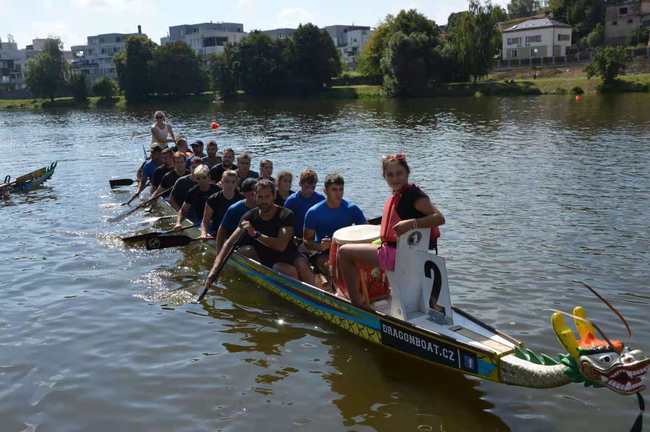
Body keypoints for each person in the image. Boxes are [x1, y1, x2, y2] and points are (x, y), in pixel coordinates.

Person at [337, 154, 445, 308]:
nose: (395, 178)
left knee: (344, 253)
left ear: (407, 173)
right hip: (403, 252)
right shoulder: (401, 195)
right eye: (390, 175)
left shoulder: (415, 196)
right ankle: (386, 292)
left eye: (399, 173)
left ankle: (357, 305)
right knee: (370, 244)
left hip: (400, 255)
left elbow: (440, 218)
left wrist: (412, 223)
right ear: (385, 177)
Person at [205, 179, 314, 289]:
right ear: (255, 196)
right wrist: (214, 271)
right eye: (260, 197)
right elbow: (228, 244)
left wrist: (255, 234)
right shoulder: (249, 216)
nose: (264, 201)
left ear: (274, 196)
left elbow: (280, 246)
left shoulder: (286, 215)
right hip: (268, 259)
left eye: (267, 197)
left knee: (301, 264)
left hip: (287, 254)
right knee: (285, 269)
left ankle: (318, 296)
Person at [303, 174, 366, 277]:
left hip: (347, 249)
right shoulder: (313, 212)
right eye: (334, 190)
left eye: (341, 189)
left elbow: (366, 232)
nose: (338, 193)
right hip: (324, 253)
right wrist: (320, 246)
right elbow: (306, 241)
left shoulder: (352, 209)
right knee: (332, 268)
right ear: (325, 191)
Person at [215, 178, 257, 251]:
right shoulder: (234, 208)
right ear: (244, 193)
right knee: (250, 250)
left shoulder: (263, 206)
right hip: (238, 245)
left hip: (255, 241)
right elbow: (222, 231)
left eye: (256, 190)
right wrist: (219, 251)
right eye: (251, 190)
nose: (254, 192)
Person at [200, 170, 243, 239]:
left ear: (236, 184)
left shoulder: (242, 199)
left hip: (236, 235)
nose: (230, 185)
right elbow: (205, 221)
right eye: (227, 181)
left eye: (233, 182)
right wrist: (204, 233)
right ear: (222, 182)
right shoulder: (212, 199)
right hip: (217, 234)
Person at [284, 169, 324, 238]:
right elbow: (284, 223)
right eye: (307, 187)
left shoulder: (320, 199)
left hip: (315, 237)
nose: (310, 190)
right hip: (297, 237)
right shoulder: (291, 201)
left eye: (313, 187)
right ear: (300, 183)